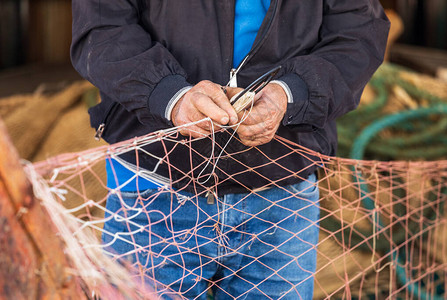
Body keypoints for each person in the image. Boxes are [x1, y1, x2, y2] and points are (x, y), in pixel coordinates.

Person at [71, 1, 390, 299]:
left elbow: (358, 32)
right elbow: (101, 28)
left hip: (282, 198)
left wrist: (289, 92)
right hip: (154, 191)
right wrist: (171, 96)